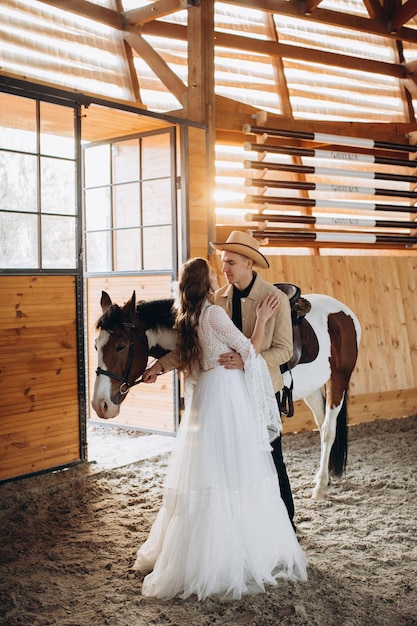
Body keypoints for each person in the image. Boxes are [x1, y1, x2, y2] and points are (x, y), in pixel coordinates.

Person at [132, 258, 307, 600]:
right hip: (226, 394)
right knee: (240, 466)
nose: (220, 272)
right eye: (215, 271)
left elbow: (184, 354)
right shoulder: (213, 313)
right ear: (207, 282)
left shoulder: (188, 317)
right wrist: (261, 319)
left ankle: (199, 546)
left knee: (208, 470)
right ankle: (240, 546)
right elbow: (248, 350)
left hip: (205, 397)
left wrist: (157, 367)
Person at [144, 231, 296, 529]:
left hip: (259, 389)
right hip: (226, 397)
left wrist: (248, 361)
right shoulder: (216, 301)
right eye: (223, 262)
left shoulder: (275, 299)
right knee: (232, 461)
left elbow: (285, 350)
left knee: (271, 457)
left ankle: (286, 524)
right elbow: (196, 348)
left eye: (231, 262)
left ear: (249, 264)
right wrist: (160, 365)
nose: (225, 268)